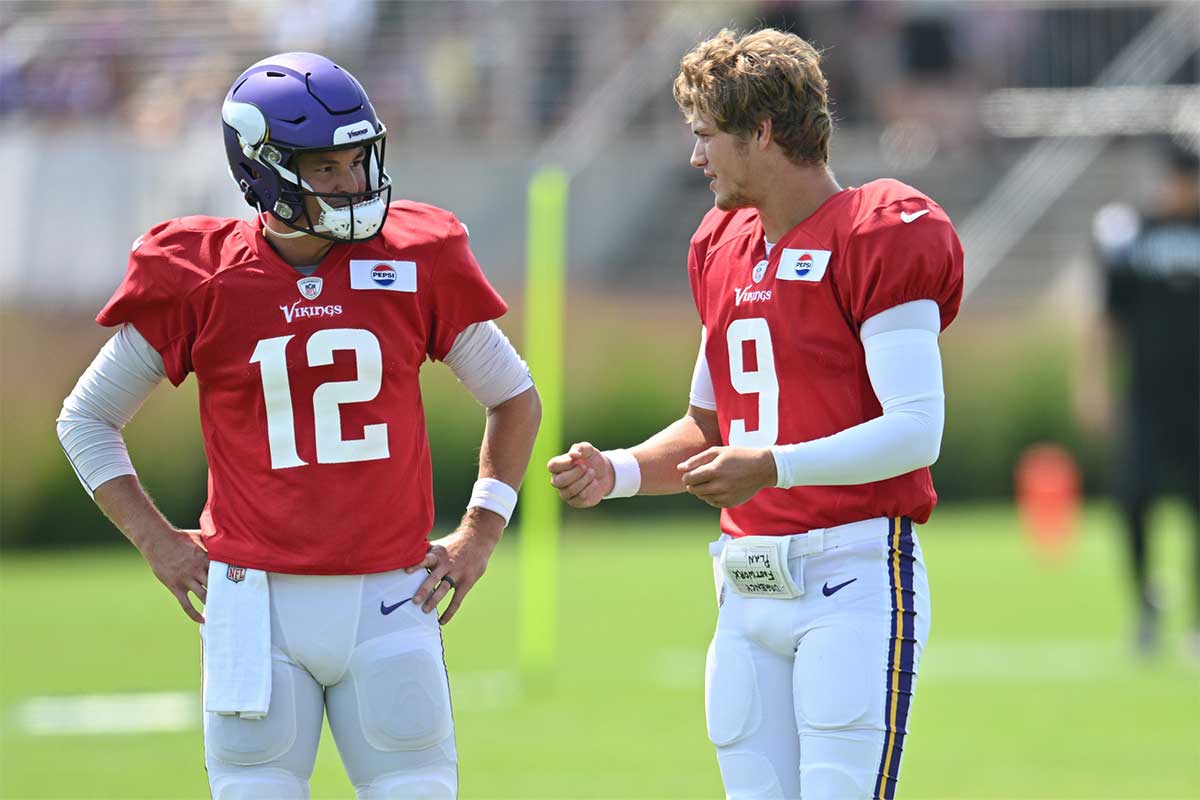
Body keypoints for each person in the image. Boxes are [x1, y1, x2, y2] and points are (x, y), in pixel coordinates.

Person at [56, 52, 540, 799]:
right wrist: (157, 542)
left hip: (391, 596)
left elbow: (514, 395)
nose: (352, 183)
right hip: (256, 606)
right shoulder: (203, 274)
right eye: (326, 168)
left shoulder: (415, 256)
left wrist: (480, 532)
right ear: (263, 170)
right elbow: (86, 418)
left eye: (359, 159)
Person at [548, 29, 962, 800]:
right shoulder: (722, 245)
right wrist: (621, 472)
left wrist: (775, 465)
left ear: (763, 132)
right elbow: (710, 426)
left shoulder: (878, 231)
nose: (697, 158)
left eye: (707, 136)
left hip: (852, 577)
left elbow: (916, 431)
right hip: (747, 587)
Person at [1082, 142, 1200, 656]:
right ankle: (1146, 608)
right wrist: (1093, 383)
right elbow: (1106, 317)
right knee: (1132, 501)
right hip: (1147, 398)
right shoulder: (1134, 236)